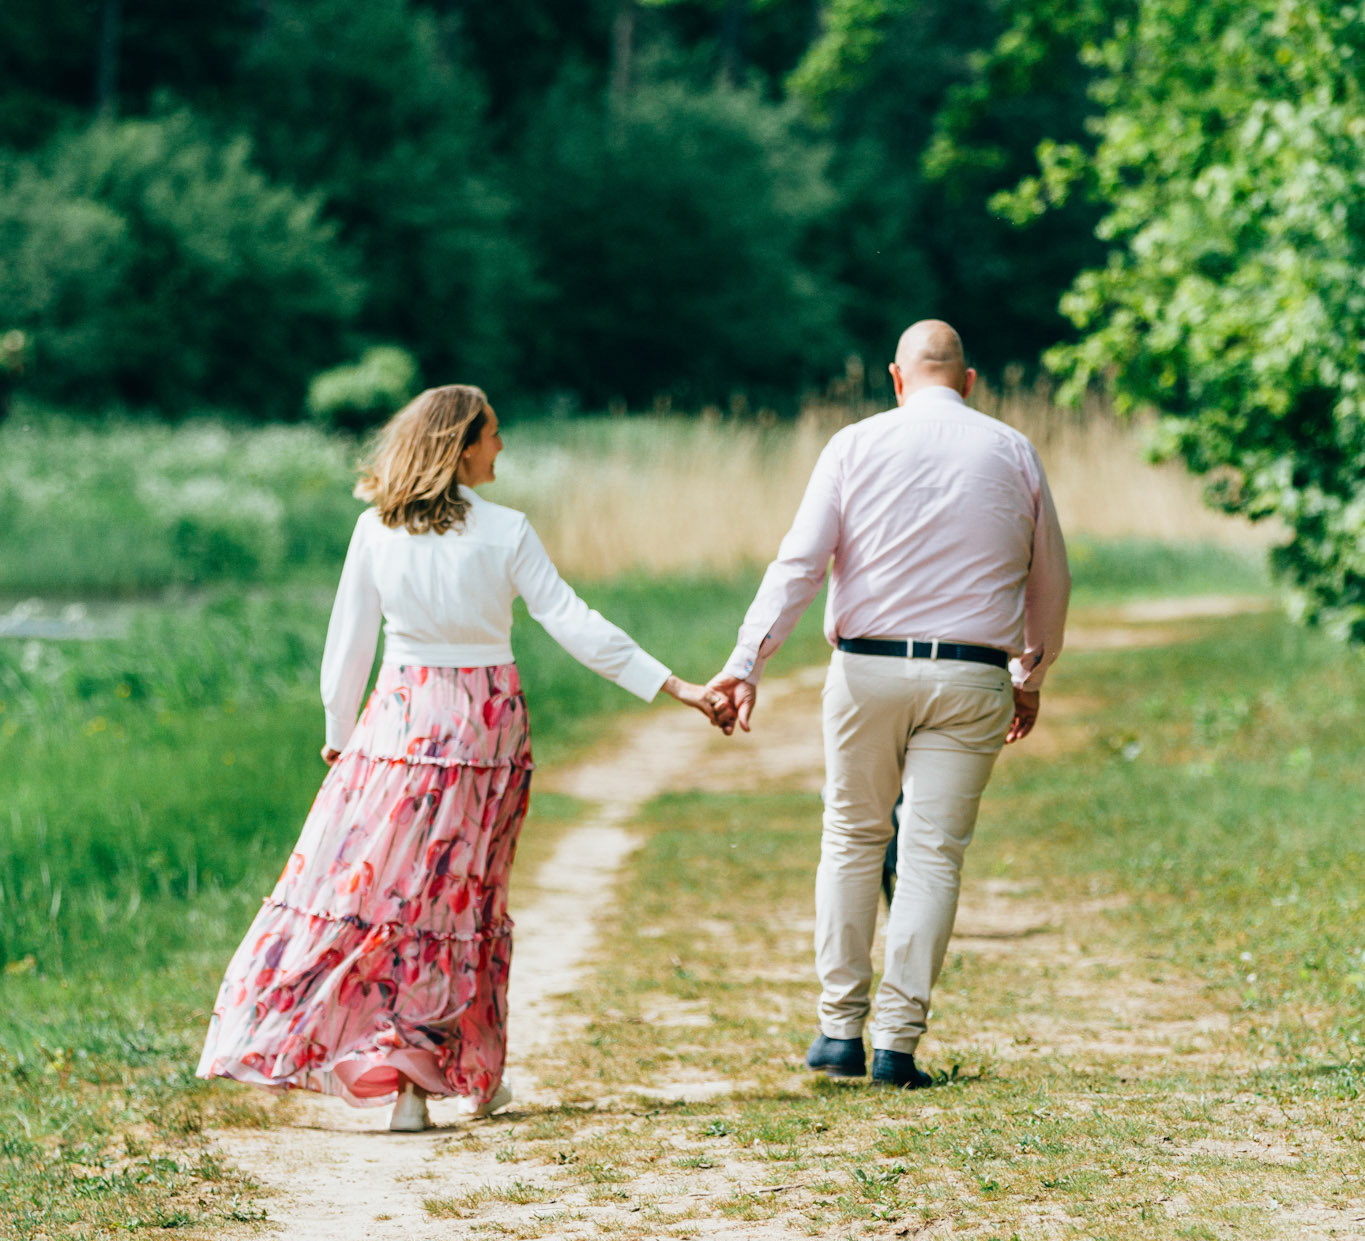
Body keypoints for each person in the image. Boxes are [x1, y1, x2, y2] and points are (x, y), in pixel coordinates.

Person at [197, 383, 724, 1132]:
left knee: (388, 896)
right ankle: (435, 1067)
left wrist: (339, 730)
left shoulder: (376, 530)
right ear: (461, 445)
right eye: (493, 435)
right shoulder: (505, 531)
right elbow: (572, 621)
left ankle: (403, 1067)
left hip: (401, 725)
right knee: (459, 898)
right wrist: (673, 684)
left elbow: (349, 643)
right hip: (484, 728)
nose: (501, 446)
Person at [708, 319, 1070, 1089]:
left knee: (850, 837)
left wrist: (747, 660)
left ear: (896, 378)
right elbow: (1049, 580)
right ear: (968, 382)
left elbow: (799, 565)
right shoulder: (1012, 449)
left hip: (866, 670)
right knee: (933, 856)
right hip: (973, 677)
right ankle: (897, 1046)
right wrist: (1030, 676)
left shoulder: (852, 444)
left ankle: (838, 1030)